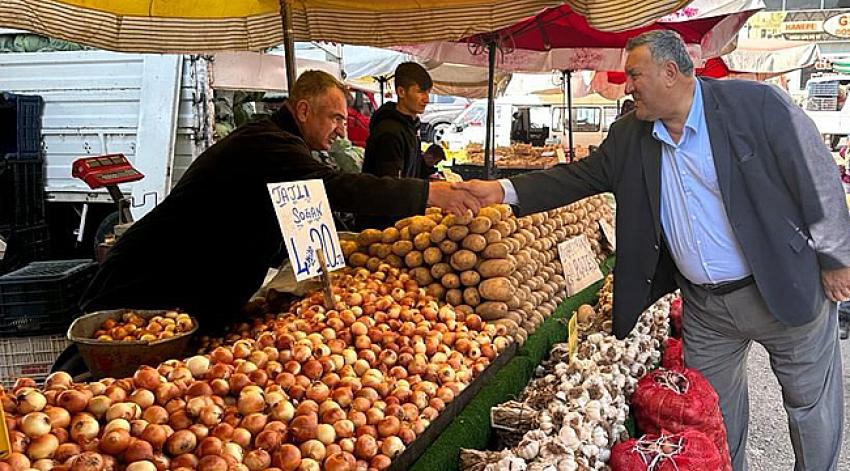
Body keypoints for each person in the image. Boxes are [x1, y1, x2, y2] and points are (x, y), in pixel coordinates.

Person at [455, 30, 850, 471]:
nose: (627, 86)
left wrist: (836, 257)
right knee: (711, 414)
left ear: (670, 72)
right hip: (707, 308)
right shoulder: (630, 135)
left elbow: (816, 175)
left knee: (809, 407)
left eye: (634, 74)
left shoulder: (755, 105)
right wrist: (501, 189)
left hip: (781, 283)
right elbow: (577, 177)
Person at [77, 70, 478, 335]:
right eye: (335, 118)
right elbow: (334, 187)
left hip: (186, 289)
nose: (341, 131)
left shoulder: (280, 142)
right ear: (303, 110)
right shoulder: (267, 143)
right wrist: (429, 193)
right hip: (147, 286)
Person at [361, 62, 431, 179]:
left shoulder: (411, 128)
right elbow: (390, 187)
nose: (426, 99)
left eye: (428, 92)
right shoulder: (389, 132)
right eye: (420, 92)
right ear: (401, 92)